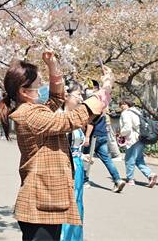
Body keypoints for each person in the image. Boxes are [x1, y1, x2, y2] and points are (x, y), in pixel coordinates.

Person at [0, 53, 111, 241]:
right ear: (24, 92)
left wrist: (53, 66)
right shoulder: (28, 114)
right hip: (40, 200)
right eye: (38, 85)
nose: (42, 87)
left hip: (46, 199)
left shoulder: (32, 109)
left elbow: (56, 98)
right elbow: (71, 119)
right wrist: (104, 91)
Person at [60, 80, 87, 241]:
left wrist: (82, 156)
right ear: (66, 96)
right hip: (66, 169)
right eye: (78, 95)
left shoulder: (73, 118)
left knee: (77, 205)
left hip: (77, 167)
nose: (81, 99)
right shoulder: (61, 118)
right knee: (68, 205)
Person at [83, 107, 126, 192]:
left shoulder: (94, 109)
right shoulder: (103, 109)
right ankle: (117, 179)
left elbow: (90, 124)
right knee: (107, 159)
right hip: (103, 135)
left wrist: (87, 137)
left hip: (94, 136)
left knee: (86, 158)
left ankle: (85, 181)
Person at [119, 99, 158, 187]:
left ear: (126, 104)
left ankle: (130, 179)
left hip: (132, 139)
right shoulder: (137, 111)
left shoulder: (126, 113)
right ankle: (150, 175)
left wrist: (121, 133)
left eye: (122, 104)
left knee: (129, 159)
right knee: (139, 159)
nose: (121, 106)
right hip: (141, 137)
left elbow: (127, 127)